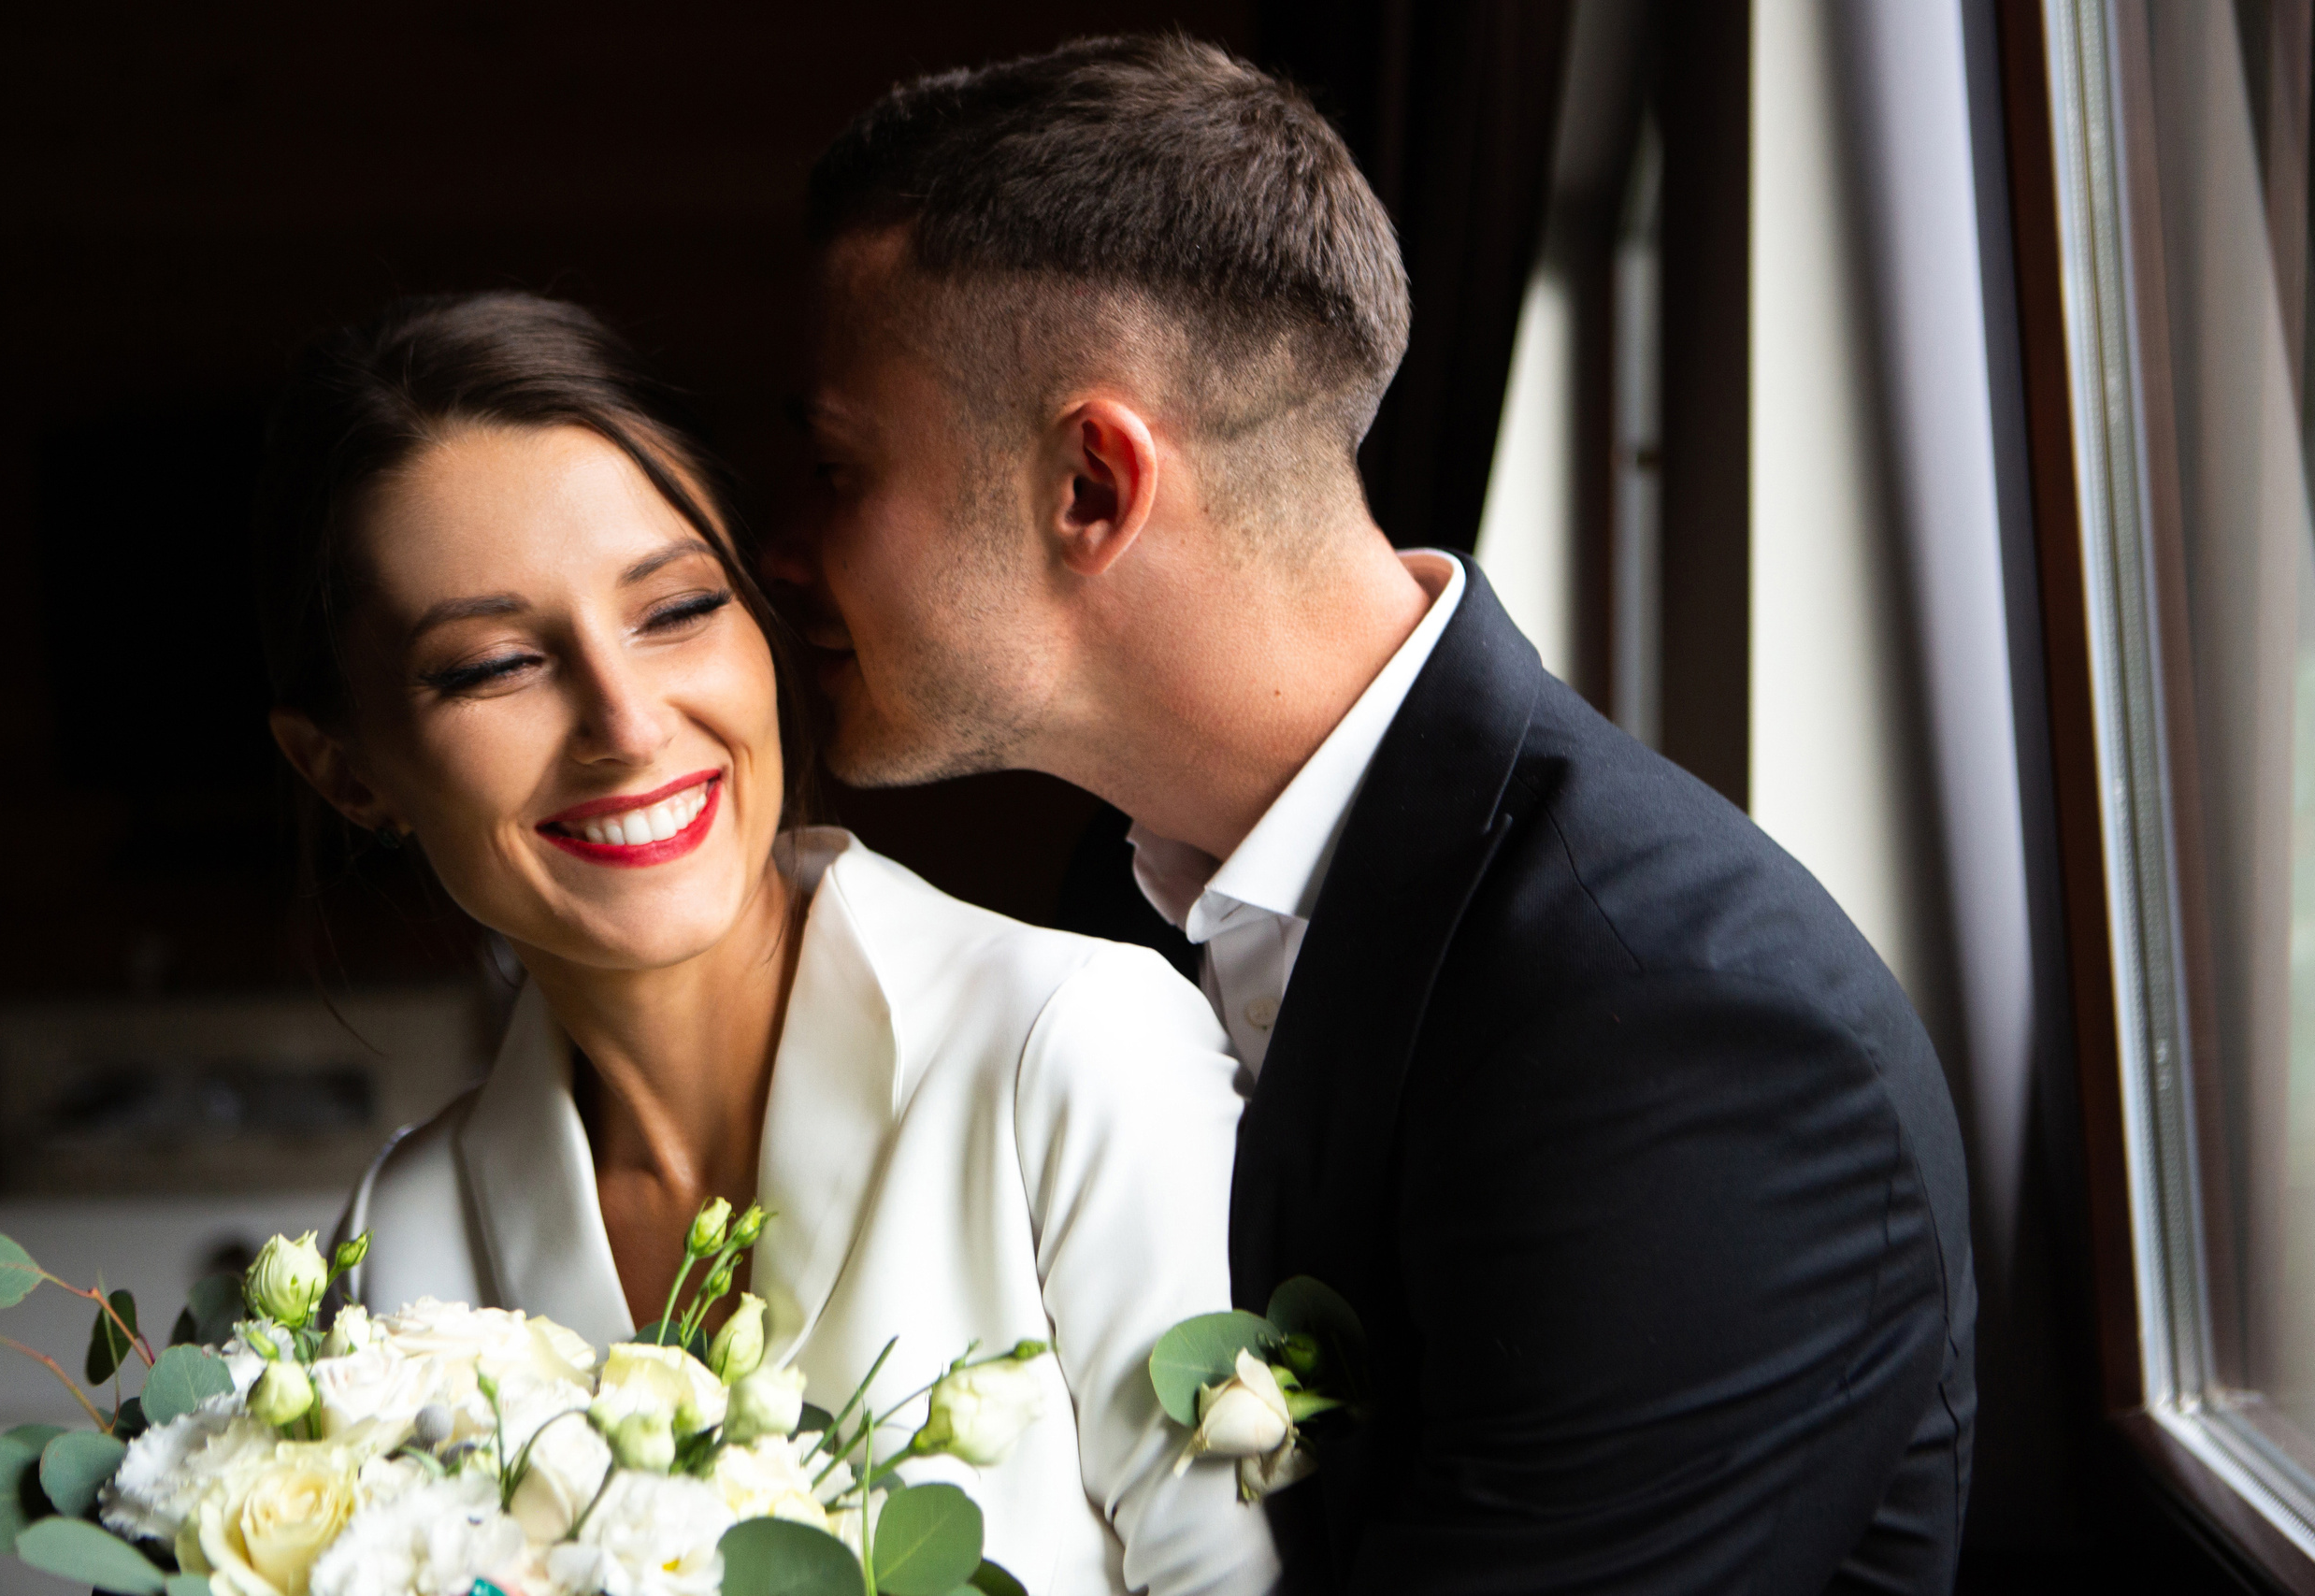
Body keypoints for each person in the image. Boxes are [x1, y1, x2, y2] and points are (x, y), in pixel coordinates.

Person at [766, 35, 1977, 1595]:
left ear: (1092, 488)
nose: (778, 544)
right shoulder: (1115, 899)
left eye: (833, 464)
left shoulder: (1682, 1033)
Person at [257, 291, 1279, 1596]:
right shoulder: (398, 1248)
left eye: (677, 609)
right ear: (347, 772)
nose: (628, 724)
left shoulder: (1074, 1055)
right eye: (496, 663)